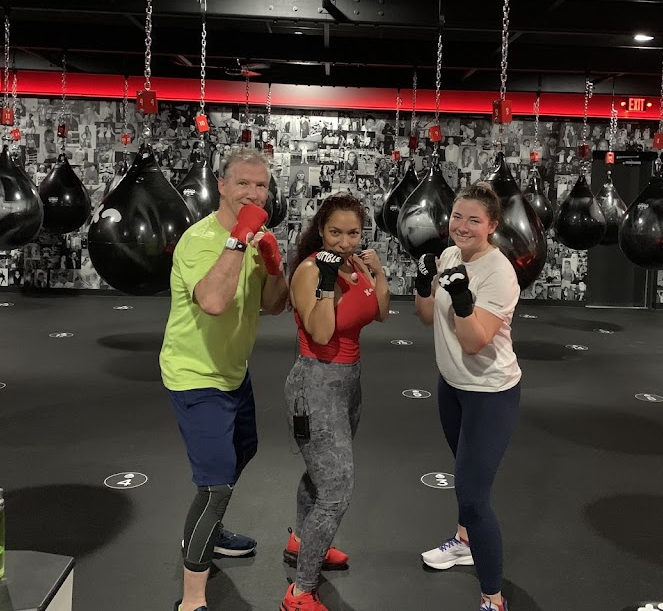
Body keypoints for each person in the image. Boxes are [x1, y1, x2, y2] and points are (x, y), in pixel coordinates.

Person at [159, 147, 289, 611]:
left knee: (242, 453)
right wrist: (237, 240)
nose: (253, 193)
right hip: (195, 374)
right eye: (243, 184)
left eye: (261, 185)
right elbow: (213, 302)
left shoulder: (259, 236)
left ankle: (209, 531)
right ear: (222, 186)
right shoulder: (200, 240)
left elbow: (273, 305)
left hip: (233, 370)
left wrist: (274, 267)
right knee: (216, 486)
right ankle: (192, 599)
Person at [413, 183, 521, 611]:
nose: (462, 226)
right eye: (458, 216)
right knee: (463, 476)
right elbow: (426, 317)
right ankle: (463, 542)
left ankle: (493, 598)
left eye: (474, 220)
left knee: (474, 498)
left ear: (491, 225)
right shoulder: (450, 256)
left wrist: (461, 298)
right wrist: (423, 284)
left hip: (490, 393)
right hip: (452, 388)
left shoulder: (499, 273)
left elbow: (475, 342)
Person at [281, 192, 390, 611]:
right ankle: (300, 592)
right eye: (335, 233)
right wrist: (328, 283)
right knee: (336, 491)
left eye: (353, 233)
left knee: (320, 476)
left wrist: (378, 273)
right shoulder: (310, 271)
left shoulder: (355, 264)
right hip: (315, 384)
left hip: (349, 383)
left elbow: (379, 312)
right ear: (320, 231)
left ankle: (302, 541)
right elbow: (322, 333)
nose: (345, 242)